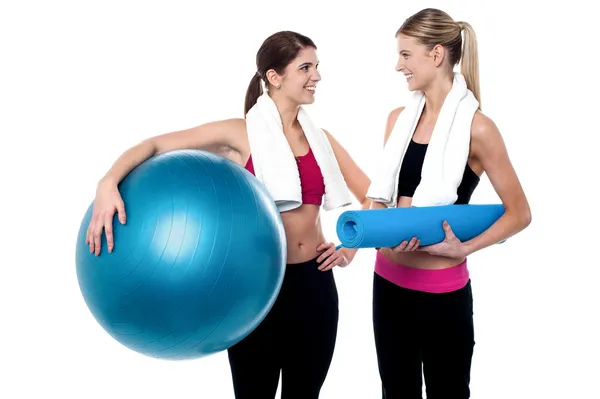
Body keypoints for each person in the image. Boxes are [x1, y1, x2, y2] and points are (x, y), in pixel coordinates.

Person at [84, 31, 371, 399]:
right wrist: (108, 182)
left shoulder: (322, 140)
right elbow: (153, 145)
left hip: (314, 286)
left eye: (316, 67)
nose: (316, 76)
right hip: (253, 292)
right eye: (306, 67)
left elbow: (373, 198)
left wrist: (349, 249)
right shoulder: (240, 134)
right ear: (274, 77)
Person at [365, 8, 532, 399]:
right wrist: (375, 231)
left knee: (449, 392)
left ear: (436, 55)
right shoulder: (396, 120)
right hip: (388, 282)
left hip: (442, 292)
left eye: (406, 55)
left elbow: (520, 212)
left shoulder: (479, 128)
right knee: (396, 392)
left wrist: (466, 247)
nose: (398, 65)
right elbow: (381, 197)